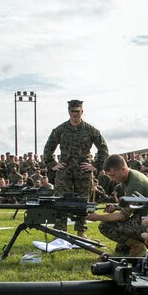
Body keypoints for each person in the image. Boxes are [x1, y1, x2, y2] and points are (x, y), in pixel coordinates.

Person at [43, 99, 109, 238]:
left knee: (83, 201)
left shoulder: (91, 130)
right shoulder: (60, 130)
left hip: (83, 172)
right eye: (72, 111)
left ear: (82, 112)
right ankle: (60, 231)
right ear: (68, 112)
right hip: (65, 171)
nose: (75, 114)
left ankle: (81, 231)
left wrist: (96, 165)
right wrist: (53, 164)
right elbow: (48, 149)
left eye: (77, 112)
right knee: (60, 201)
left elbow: (103, 148)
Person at [86, 154, 148, 257]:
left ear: (123, 169)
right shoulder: (129, 177)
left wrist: (97, 217)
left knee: (105, 226)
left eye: (113, 175)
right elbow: (133, 204)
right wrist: (116, 207)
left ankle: (139, 246)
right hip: (147, 218)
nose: (111, 179)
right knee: (121, 249)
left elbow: (123, 215)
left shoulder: (135, 184)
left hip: (147, 221)